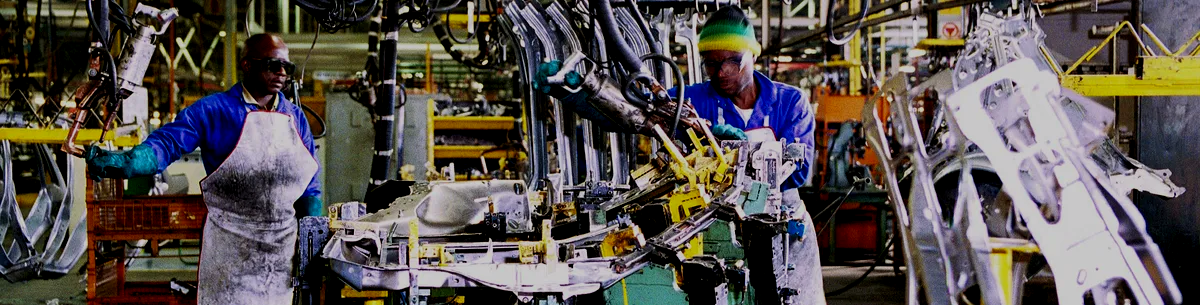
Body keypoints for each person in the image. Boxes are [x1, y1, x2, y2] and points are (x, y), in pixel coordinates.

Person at [84, 33, 322, 305]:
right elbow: (168, 143)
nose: (281, 73)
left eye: (287, 67)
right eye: (273, 65)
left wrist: (311, 239)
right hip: (230, 249)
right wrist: (129, 162)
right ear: (247, 65)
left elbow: (309, 184)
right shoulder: (213, 110)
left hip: (281, 251)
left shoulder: (295, 117)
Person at [676, 6, 824, 304]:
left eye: (733, 61)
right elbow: (639, 108)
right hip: (716, 233)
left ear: (752, 55)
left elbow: (799, 171)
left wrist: (742, 153)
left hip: (785, 234)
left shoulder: (789, 102)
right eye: (711, 63)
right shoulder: (692, 100)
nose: (722, 72)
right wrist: (583, 88)